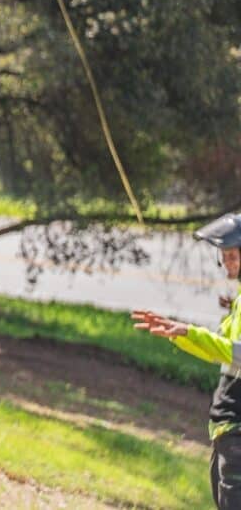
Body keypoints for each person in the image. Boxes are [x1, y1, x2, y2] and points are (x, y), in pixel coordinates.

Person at [132, 213, 241, 510]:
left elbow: (239, 353)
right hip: (225, 426)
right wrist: (179, 333)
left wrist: (189, 332)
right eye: (224, 257)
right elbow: (219, 350)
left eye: (233, 256)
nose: (228, 263)